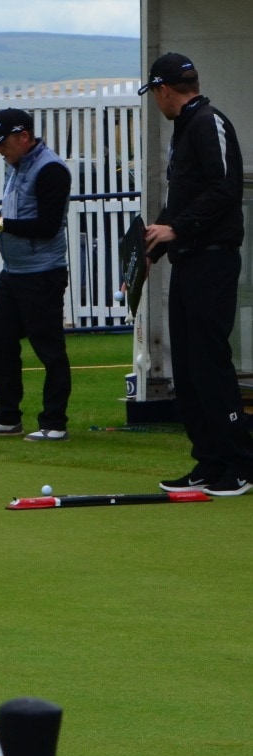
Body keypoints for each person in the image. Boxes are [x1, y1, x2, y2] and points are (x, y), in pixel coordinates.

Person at [141, 52, 251, 497]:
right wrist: (153, 249)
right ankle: (208, 460)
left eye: (155, 94)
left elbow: (226, 188)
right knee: (185, 369)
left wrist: (179, 228)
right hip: (189, 259)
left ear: (163, 90)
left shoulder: (209, 122)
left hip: (213, 259)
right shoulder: (184, 129)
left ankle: (241, 464)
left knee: (208, 364)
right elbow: (180, 201)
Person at [0, 109, 74, 441]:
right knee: (0, 340)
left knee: (49, 348)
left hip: (42, 274)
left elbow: (47, 226)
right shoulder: (18, 167)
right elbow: (19, 214)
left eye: (3, 144)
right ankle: (7, 417)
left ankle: (54, 423)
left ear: (23, 136)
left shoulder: (52, 170)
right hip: (13, 273)